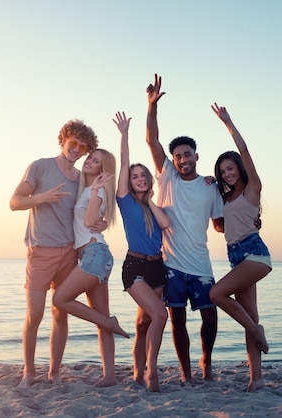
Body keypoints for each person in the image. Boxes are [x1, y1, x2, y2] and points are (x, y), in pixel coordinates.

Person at [9, 119, 104, 387]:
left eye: (82, 147)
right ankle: (29, 372)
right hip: (40, 251)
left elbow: (88, 210)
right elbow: (14, 202)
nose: (77, 149)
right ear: (63, 139)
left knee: (59, 312)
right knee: (35, 314)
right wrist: (41, 198)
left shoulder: (81, 178)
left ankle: (54, 373)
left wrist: (100, 221)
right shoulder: (40, 167)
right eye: (73, 143)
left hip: (69, 253)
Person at [145, 74, 224, 384]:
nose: (181, 159)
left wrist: (249, 220)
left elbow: (219, 224)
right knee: (177, 321)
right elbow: (151, 139)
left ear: (196, 156)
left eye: (187, 154)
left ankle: (206, 360)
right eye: (177, 156)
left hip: (201, 264)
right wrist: (151, 106)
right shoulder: (167, 176)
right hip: (172, 264)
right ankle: (186, 372)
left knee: (210, 315)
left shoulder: (210, 188)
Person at [52, 147, 129, 388]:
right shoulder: (87, 190)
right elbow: (92, 221)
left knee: (60, 299)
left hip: (94, 254)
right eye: (90, 158)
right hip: (95, 255)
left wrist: (95, 190)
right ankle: (109, 376)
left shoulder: (97, 192)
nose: (90, 162)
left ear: (102, 170)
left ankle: (109, 324)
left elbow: (87, 221)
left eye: (96, 162)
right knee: (100, 315)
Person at [209, 102, 272, 392]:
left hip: (255, 255)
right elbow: (220, 227)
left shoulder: (252, 189)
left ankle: (255, 330)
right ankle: (256, 379)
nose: (226, 174)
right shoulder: (226, 199)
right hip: (237, 259)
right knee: (249, 316)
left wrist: (228, 122)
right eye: (222, 171)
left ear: (239, 169)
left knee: (216, 293)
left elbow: (245, 152)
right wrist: (210, 185)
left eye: (230, 168)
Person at [114, 111, 170, 392]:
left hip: (157, 268)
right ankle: (152, 371)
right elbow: (124, 163)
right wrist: (124, 135)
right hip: (135, 268)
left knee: (143, 323)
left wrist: (151, 200)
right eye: (134, 176)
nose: (137, 178)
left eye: (142, 175)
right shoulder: (124, 201)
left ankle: (137, 371)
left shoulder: (152, 205)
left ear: (148, 180)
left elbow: (166, 223)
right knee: (161, 315)